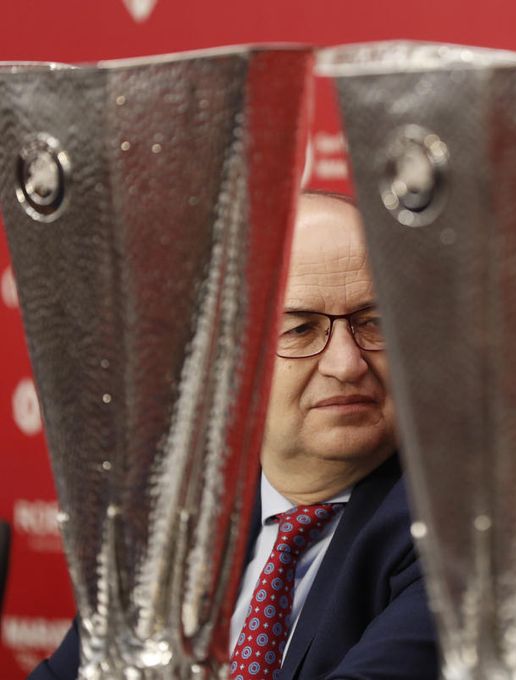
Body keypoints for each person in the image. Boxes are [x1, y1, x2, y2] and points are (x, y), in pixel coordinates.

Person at [30, 192, 438, 680]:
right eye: (300, 330)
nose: (347, 364)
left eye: (373, 323)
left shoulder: (456, 530)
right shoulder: (179, 522)